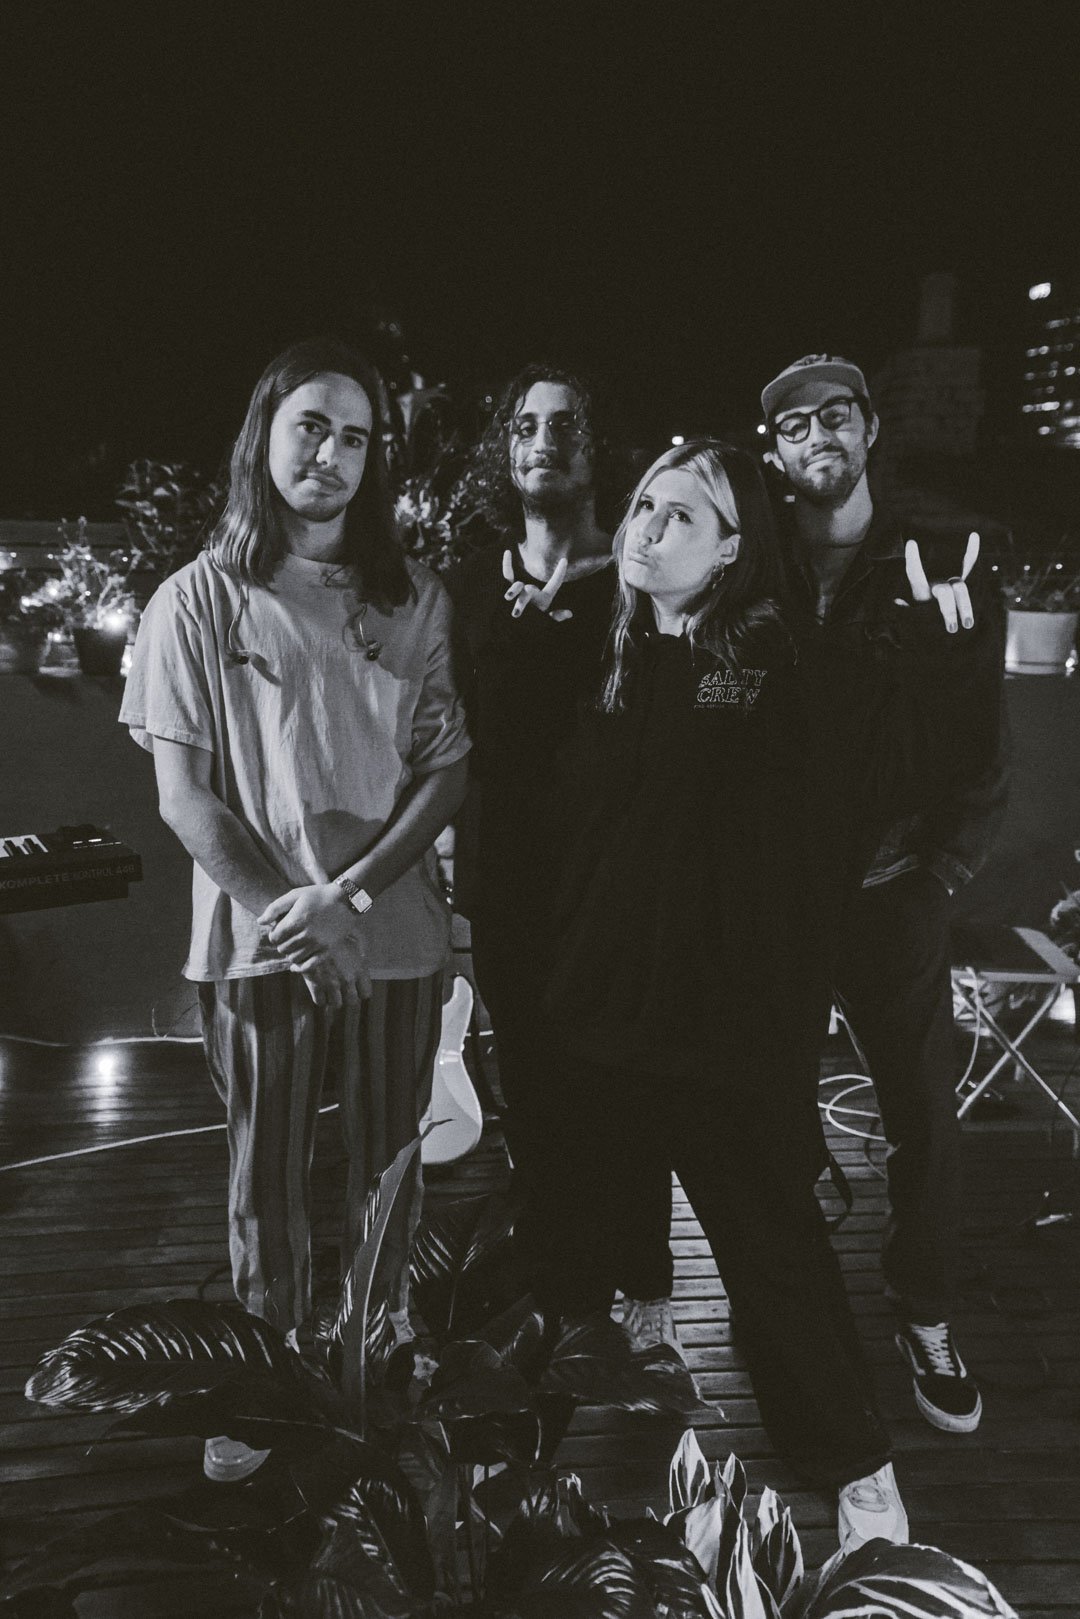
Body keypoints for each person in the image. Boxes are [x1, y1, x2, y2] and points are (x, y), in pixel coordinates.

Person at [520, 438, 996, 1550]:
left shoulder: (784, 668)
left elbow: (904, 762)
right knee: (562, 1242)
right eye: (643, 502)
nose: (646, 524)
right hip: (597, 1020)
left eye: (683, 514)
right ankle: (499, 1463)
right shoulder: (603, 654)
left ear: (736, 549)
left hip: (725, 1040)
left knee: (776, 1257)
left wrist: (949, 658)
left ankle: (856, 1465)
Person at [120, 338, 470, 1482]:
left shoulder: (413, 602)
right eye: (310, 426)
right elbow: (186, 795)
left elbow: (444, 771)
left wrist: (352, 894)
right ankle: (264, 1381)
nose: (331, 453)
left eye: (356, 436)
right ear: (264, 435)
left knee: (389, 1170)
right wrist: (293, 914)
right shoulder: (196, 600)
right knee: (265, 1181)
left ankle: (382, 1365)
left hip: (397, 936)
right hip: (256, 943)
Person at [760, 354, 1008, 1436]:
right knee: (756, 1106)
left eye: (837, 413)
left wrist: (944, 867)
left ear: (866, 432)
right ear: (773, 449)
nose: (819, 431)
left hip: (892, 884)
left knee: (922, 1115)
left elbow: (981, 731)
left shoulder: (939, 558)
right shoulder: (750, 563)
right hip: (772, 894)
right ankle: (783, 1308)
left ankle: (927, 1311)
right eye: (795, 420)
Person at [446, 365, 680, 1357]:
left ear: (596, 452)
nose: (545, 439)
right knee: (533, 1084)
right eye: (527, 425)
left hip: (616, 886)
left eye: (567, 425)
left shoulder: (638, 581)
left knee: (622, 1084)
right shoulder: (466, 583)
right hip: (510, 888)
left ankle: (645, 1274)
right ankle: (555, 1265)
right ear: (506, 448)